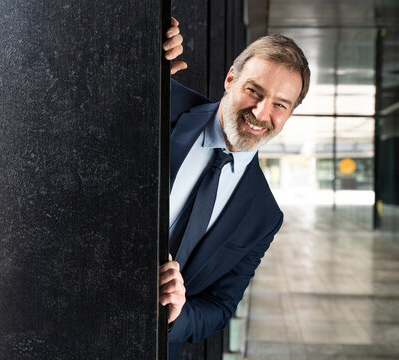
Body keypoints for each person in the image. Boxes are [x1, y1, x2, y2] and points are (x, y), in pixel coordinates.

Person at [161, 18, 310, 360]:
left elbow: (220, 306)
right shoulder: (161, 99)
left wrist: (177, 313)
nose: (260, 112)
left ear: (288, 115)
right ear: (231, 79)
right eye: (254, 91)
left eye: (279, 105)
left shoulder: (264, 215)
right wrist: (141, 49)